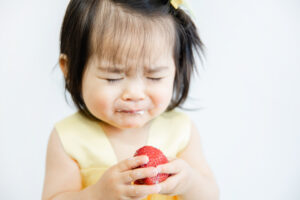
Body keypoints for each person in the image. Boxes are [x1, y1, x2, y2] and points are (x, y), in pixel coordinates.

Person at [42, 0, 219, 199]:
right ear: (68, 69)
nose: (135, 94)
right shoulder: (69, 138)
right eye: (113, 78)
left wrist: (189, 183)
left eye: (154, 77)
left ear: (176, 70)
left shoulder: (180, 131)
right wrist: (97, 195)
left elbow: (210, 195)